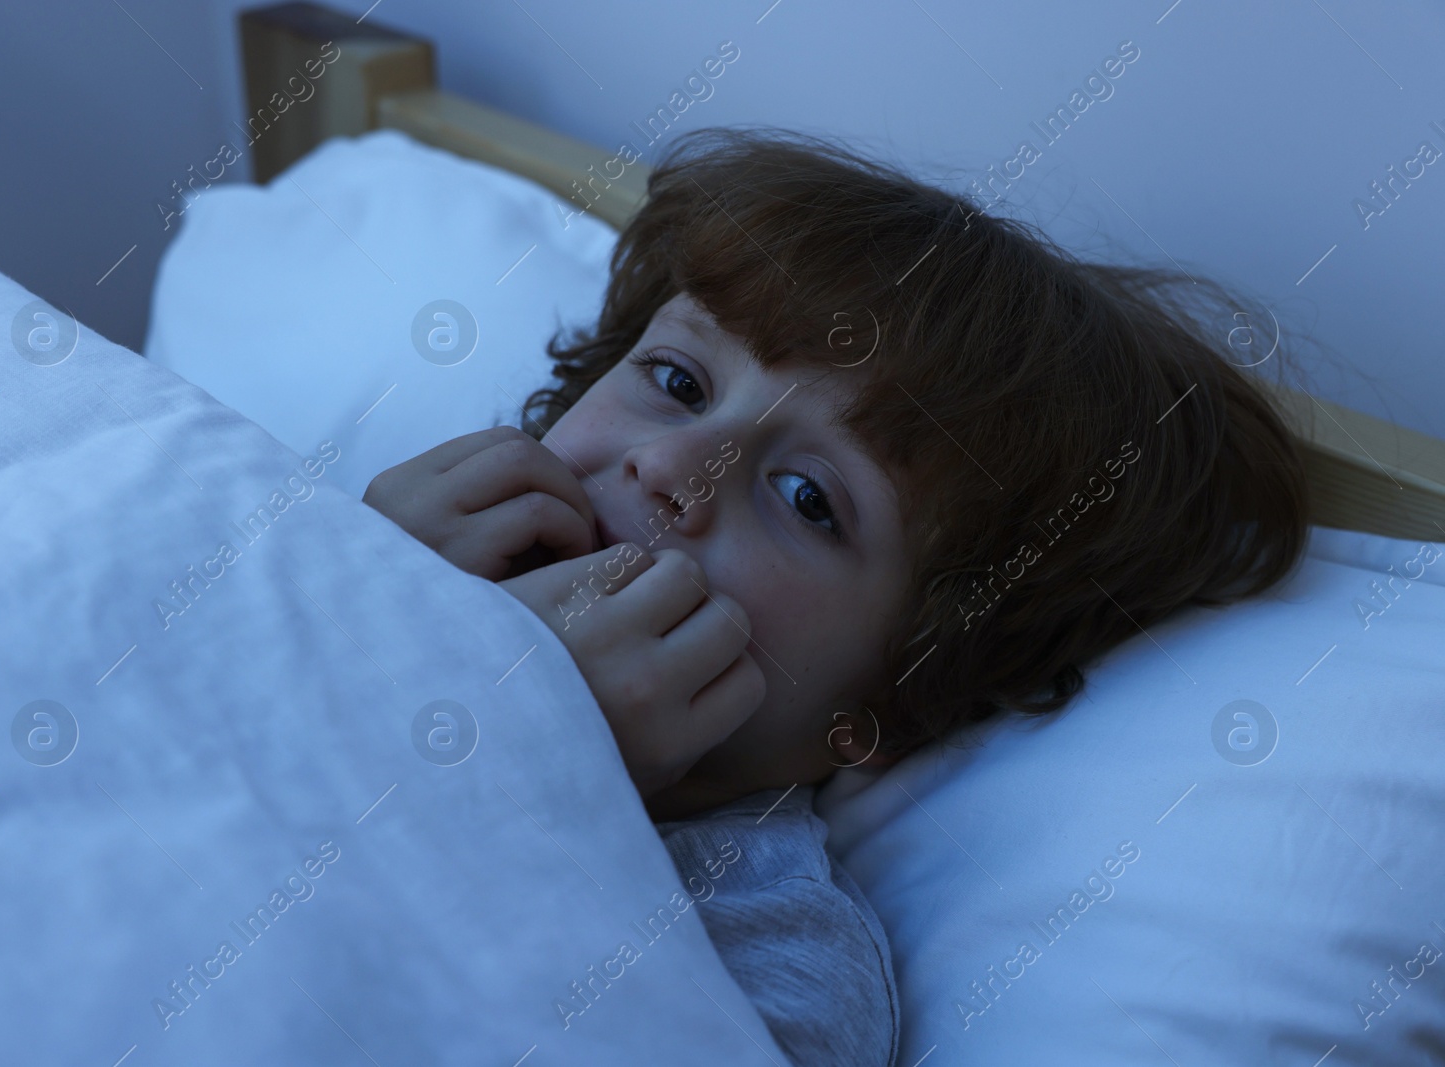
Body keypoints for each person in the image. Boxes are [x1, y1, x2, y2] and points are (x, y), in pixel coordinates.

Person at [363, 128, 1309, 1065]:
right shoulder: (358, 560)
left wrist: (533, 743)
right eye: (677, 380)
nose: (671, 466)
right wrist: (349, 583)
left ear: (901, 694)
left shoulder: (777, 955)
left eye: (808, 497)